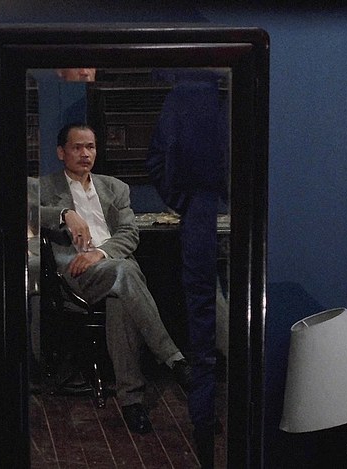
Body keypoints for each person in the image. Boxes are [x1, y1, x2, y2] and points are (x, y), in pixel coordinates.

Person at [31, 122, 192, 434]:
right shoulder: (44, 186)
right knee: (126, 272)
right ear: (61, 152)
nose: (85, 153)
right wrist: (65, 214)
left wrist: (101, 253)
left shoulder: (115, 188)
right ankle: (174, 360)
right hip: (76, 273)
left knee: (122, 293)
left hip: (110, 267)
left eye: (90, 147)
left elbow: (129, 233)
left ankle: (132, 402)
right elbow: (23, 207)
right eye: (77, 147)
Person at [146, 69, 229, 468]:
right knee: (210, 316)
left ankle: (205, 425)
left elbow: (158, 160)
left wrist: (186, 201)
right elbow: (159, 159)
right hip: (210, 208)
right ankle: (208, 423)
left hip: (200, 211)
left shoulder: (184, 95)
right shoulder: (203, 93)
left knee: (204, 324)